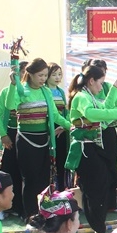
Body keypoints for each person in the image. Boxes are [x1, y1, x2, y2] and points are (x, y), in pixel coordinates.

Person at [66, 66, 117, 233]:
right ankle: (98, 229)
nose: (102, 87)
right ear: (91, 81)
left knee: (103, 182)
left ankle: (94, 223)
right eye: (101, 83)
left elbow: (104, 113)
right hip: (84, 149)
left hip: (92, 148)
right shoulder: (81, 97)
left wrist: (115, 89)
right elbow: (93, 115)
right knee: (96, 188)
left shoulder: (89, 96)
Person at [5, 58, 72, 220]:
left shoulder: (45, 91)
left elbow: (55, 115)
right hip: (27, 141)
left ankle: (44, 213)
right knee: (30, 180)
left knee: (43, 179)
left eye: (44, 75)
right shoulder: (22, 91)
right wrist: (13, 85)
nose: (43, 79)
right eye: (40, 75)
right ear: (30, 74)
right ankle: (30, 215)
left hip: (44, 141)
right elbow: (9, 105)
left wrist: (71, 126)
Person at [88, 59, 117, 214]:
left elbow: (115, 106)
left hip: (108, 130)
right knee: (96, 168)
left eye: (103, 70)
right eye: (97, 70)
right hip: (93, 132)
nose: (101, 74)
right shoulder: (85, 92)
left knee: (111, 165)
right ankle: (94, 204)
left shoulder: (109, 87)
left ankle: (111, 203)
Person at [0, 60, 27, 218]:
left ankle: (22, 208)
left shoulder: (35, 93)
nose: (23, 76)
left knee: (25, 172)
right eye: (21, 72)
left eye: (27, 73)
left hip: (28, 135)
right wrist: (4, 135)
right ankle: (3, 207)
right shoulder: (6, 92)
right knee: (8, 171)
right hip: (10, 135)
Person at [46, 62, 71, 190]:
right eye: (54, 74)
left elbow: (67, 112)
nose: (57, 77)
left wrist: (63, 127)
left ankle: (61, 188)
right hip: (48, 128)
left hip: (61, 129)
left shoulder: (61, 92)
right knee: (50, 161)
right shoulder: (43, 91)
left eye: (59, 74)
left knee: (62, 159)